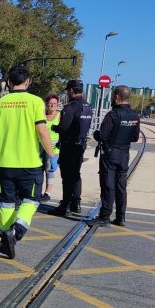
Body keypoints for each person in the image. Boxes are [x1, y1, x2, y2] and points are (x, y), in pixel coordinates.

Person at [0, 65, 54, 259]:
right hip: (29, 164)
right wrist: (51, 155)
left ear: (9, 82)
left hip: (3, 163)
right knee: (31, 200)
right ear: (28, 81)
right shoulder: (35, 102)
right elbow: (42, 131)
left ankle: (4, 240)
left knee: (5, 203)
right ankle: (16, 232)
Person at [87, 86, 140, 227]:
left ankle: (104, 216)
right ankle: (121, 217)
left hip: (110, 154)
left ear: (116, 97)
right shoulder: (134, 115)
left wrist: (96, 134)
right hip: (124, 154)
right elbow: (135, 138)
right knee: (121, 185)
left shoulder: (113, 115)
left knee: (108, 185)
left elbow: (102, 135)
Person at [49, 79, 93, 217]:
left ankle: (65, 205)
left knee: (67, 176)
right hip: (81, 144)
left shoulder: (71, 107)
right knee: (76, 174)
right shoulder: (88, 106)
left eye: (68, 90)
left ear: (72, 91)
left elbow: (63, 127)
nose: (67, 93)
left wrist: (54, 127)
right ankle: (76, 203)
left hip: (70, 145)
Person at [42, 94, 60, 202]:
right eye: (50, 103)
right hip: (41, 145)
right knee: (38, 169)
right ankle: (37, 191)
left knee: (49, 169)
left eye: (55, 103)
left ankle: (47, 193)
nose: (52, 105)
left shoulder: (59, 116)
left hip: (54, 147)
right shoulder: (42, 115)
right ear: (46, 104)